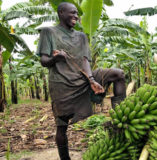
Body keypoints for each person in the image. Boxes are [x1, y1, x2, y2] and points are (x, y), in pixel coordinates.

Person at [36, 2, 126, 160]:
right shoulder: (48, 32)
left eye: (77, 13)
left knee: (118, 74)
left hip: (83, 79)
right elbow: (44, 61)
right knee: (62, 125)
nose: (76, 17)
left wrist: (92, 80)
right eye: (72, 13)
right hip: (62, 84)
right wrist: (55, 58)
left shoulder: (82, 36)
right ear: (61, 13)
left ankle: (121, 119)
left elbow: (85, 61)